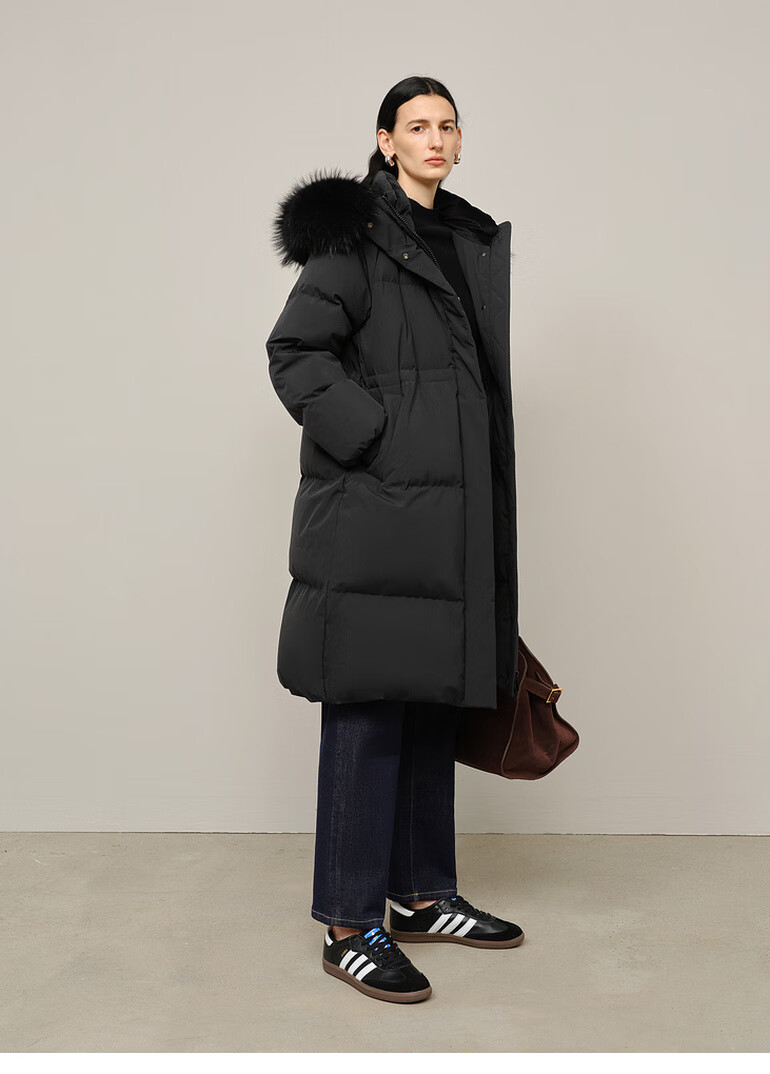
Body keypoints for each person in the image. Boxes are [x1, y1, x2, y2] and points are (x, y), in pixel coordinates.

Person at [265, 76, 524, 1004]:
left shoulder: (461, 237)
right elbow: (295, 351)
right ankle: (348, 923)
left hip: (448, 514)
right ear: (385, 141)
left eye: (448, 124)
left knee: (428, 703)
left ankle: (420, 894)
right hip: (375, 512)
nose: (436, 138)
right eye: (417, 126)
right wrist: (375, 438)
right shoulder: (355, 238)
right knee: (369, 708)